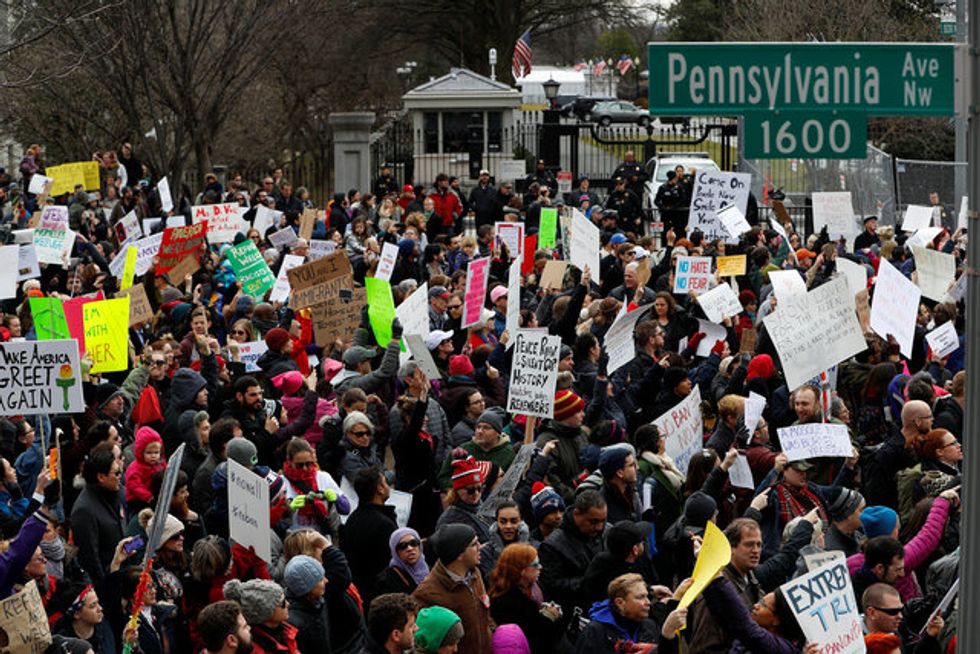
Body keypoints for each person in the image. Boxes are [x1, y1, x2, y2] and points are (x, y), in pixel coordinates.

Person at [413, 524, 492, 654]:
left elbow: (485, 616)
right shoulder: (427, 594)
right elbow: (422, 643)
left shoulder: (475, 573)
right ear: (459, 554)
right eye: (473, 544)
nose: (480, 547)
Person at [538, 490, 607, 613]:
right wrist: (587, 581)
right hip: (574, 612)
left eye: (603, 521)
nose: (599, 527)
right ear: (576, 514)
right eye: (594, 522)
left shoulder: (607, 532)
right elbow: (551, 586)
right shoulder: (552, 546)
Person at [488, 543, 563, 654]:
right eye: (536, 564)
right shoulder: (504, 602)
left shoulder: (537, 586)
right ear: (521, 570)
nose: (540, 567)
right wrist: (548, 617)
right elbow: (526, 639)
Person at [342, 466, 398, 598]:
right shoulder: (384, 525)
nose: (388, 486)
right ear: (379, 489)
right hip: (380, 594)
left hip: (359, 592)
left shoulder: (352, 520)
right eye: (385, 482)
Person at [574, 573, 661, 653]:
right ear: (620, 603)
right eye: (640, 597)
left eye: (647, 596)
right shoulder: (595, 632)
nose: (648, 602)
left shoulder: (650, 626)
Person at [222, 579, 299, 654]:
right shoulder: (258, 650)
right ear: (265, 612)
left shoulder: (286, 631)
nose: (288, 604)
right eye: (282, 603)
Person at [282, 555, 331, 654]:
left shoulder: (318, 601)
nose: (326, 581)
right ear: (306, 588)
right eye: (320, 579)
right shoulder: (293, 622)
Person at [375, 528, 429, 596]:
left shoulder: (431, 569)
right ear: (395, 552)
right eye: (403, 546)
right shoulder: (386, 580)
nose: (410, 548)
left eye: (414, 543)